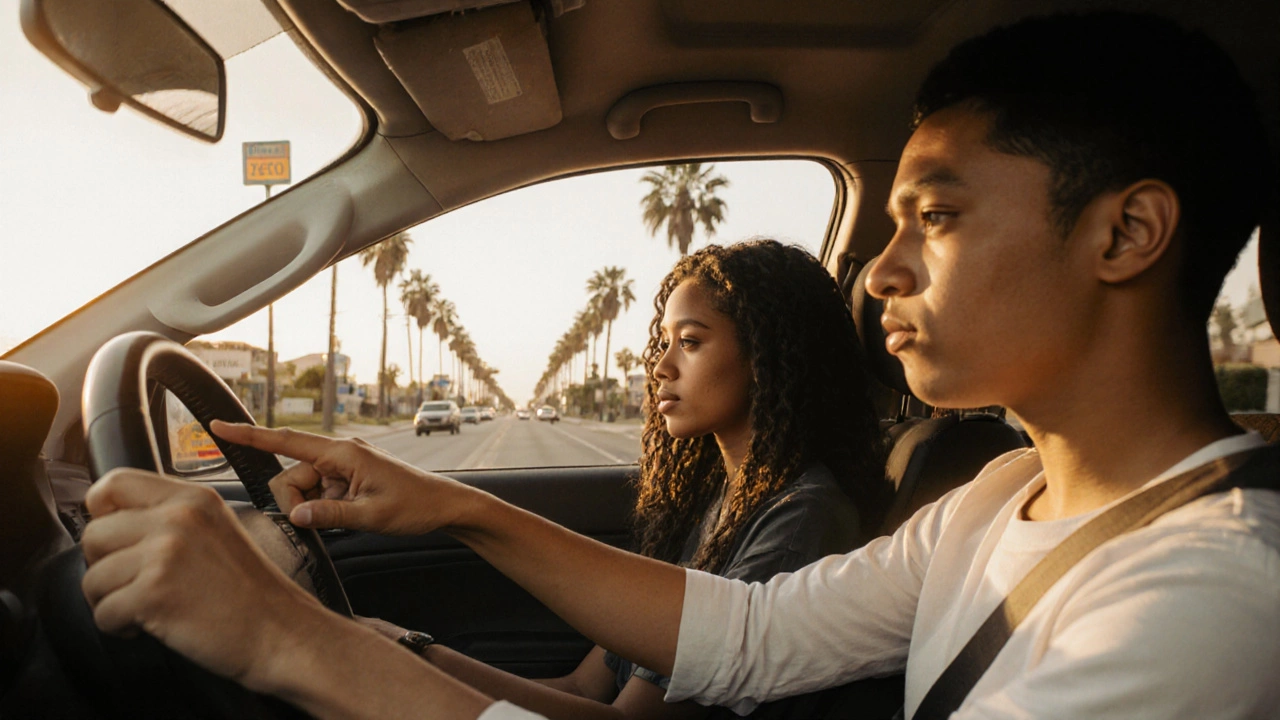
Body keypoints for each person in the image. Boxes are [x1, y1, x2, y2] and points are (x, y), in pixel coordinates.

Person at [78, 10, 1280, 720]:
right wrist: (445, 505)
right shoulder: (991, 499)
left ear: (1122, 235)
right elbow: (747, 633)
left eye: (938, 219)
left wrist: (296, 642)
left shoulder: (1209, 600)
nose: (879, 272)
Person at [353, 239, 887, 720]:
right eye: (664, 341)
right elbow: (584, 688)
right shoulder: (715, 502)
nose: (660, 365)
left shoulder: (801, 518)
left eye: (692, 342)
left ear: (766, 357)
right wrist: (410, 658)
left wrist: (411, 655)